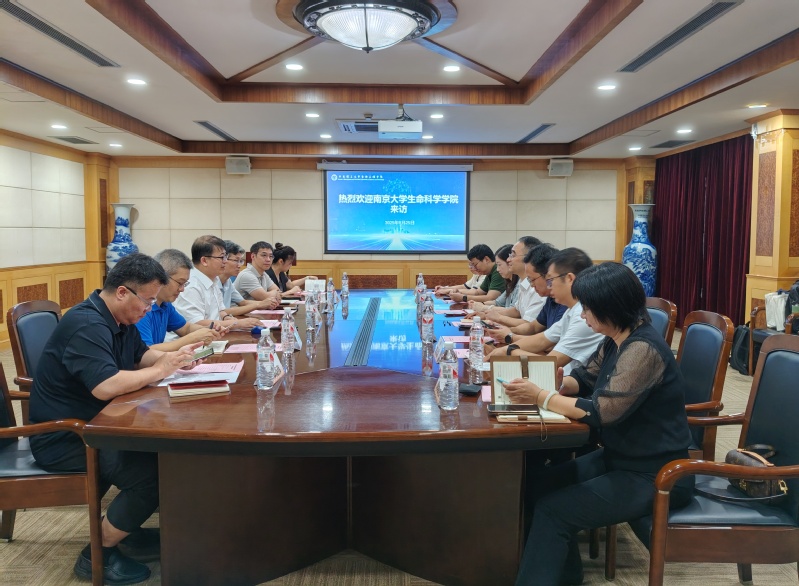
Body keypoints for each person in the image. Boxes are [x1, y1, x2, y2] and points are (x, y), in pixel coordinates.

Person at [503, 262, 694, 586]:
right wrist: (560, 384)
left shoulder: (642, 349)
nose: (583, 315)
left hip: (656, 474)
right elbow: (584, 378)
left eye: (588, 308)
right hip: (620, 459)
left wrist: (542, 396)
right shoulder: (615, 339)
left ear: (610, 307)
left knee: (554, 510)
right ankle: (565, 577)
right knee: (533, 488)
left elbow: (603, 412)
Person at [28, 253, 203, 584]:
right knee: (151, 475)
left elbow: (141, 356)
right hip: (66, 437)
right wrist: (160, 370)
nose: (150, 308)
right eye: (147, 301)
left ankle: (126, 531)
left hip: (100, 424)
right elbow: (105, 386)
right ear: (123, 292)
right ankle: (98, 553)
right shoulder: (87, 324)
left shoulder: (119, 319)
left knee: (164, 459)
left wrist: (174, 360)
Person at [490, 248, 604, 375]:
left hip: (568, 380)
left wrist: (509, 350)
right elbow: (542, 340)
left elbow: (551, 362)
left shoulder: (582, 316)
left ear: (569, 279)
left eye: (550, 280)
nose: (549, 286)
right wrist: (506, 348)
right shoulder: (572, 310)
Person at [135, 249, 225, 350]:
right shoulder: (143, 308)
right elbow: (147, 351)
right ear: (162, 277)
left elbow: (186, 328)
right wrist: (193, 338)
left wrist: (208, 330)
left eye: (185, 284)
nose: (182, 289)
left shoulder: (165, 304)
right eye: (180, 283)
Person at [173, 235, 262, 332]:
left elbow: (220, 311)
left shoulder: (213, 279)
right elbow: (196, 323)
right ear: (204, 261)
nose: (225, 261)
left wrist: (226, 318)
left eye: (226, 257)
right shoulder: (191, 285)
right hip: (193, 339)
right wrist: (237, 323)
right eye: (222, 257)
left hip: (213, 335)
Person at [485, 244, 567, 345]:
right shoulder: (551, 298)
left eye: (532, 279)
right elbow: (534, 326)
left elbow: (550, 345)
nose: (531, 285)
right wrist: (507, 331)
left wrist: (510, 337)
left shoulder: (566, 304)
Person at [470, 236, 543, 325]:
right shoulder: (523, 282)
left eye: (513, 255)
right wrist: (486, 315)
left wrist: (496, 317)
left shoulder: (538, 287)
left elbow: (530, 325)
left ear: (529, 258)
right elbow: (516, 311)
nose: (508, 259)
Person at [219, 240, 279, 315]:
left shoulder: (228, 282)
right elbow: (220, 312)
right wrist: (259, 304)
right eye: (236, 260)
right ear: (223, 260)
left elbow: (243, 302)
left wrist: (265, 303)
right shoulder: (214, 283)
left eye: (240, 261)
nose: (239, 265)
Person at [434, 244, 505, 303]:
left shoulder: (497, 271)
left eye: (475, 264)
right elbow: (477, 292)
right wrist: (457, 292)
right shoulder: (489, 273)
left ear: (486, 259)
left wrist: (464, 298)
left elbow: (490, 298)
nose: (474, 268)